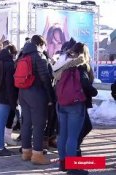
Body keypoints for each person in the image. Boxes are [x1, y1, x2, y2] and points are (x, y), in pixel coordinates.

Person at [53, 42, 97, 175]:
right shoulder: (81, 65)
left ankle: (63, 163)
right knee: (72, 137)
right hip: (75, 105)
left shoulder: (65, 64)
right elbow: (85, 84)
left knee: (63, 135)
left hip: (61, 103)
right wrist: (94, 92)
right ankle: (73, 168)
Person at [18, 35, 55, 165]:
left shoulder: (22, 55)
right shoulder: (39, 56)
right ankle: (37, 155)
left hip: (23, 93)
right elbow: (45, 78)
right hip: (37, 94)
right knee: (39, 124)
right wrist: (51, 97)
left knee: (26, 123)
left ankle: (26, 152)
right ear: (40, 44)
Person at [0, 45, 18, 156]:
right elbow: (9, 85)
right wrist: (13, 101)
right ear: (11, 53)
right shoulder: (9, 64)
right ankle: (1, 148)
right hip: (4, 97)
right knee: (1, 122)